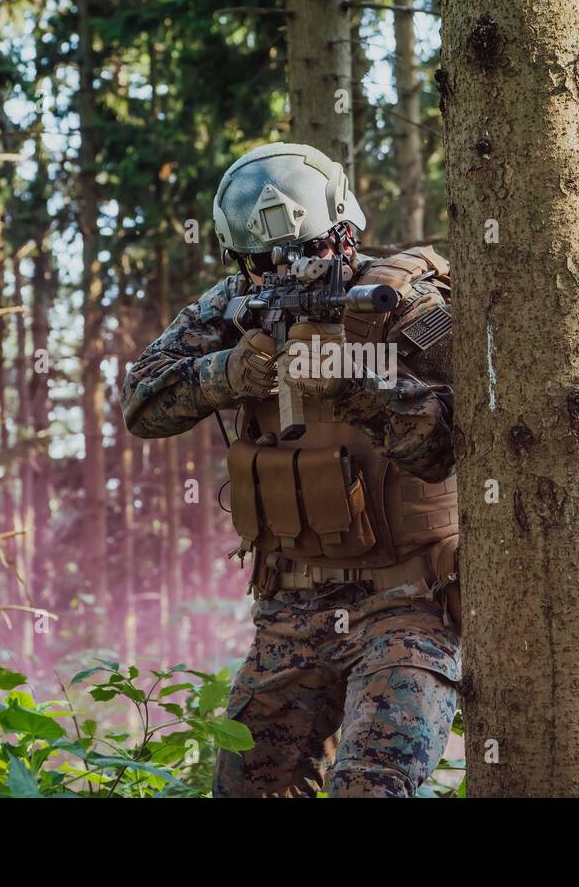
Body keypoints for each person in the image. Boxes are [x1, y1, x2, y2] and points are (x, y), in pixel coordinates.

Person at [123, 142, 460, 797]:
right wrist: (228, 372)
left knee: (370, 787)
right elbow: (143, 403)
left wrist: (360, 386)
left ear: (343, 230)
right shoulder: (236, 304)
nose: (286, 272)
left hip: (409, 603)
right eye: (262, 263)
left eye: (305, 250)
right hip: (292, 607)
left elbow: (449, 446)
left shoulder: (401, 301)